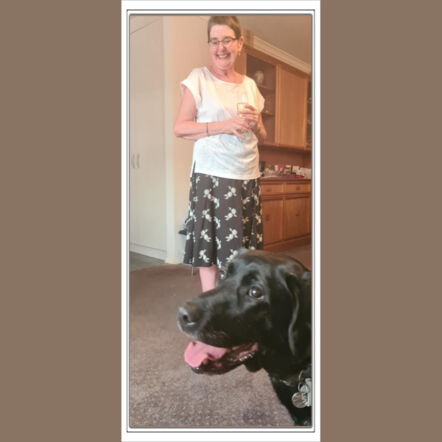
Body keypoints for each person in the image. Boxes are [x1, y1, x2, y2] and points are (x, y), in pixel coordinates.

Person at [174, 15, 267, 292]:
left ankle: (237, 304)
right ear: (210, 45)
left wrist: (259, 124)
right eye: (214, 41)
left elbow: (262, 135)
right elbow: (180, 127)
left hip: (247, 173)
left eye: (227, 40)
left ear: (239, 44)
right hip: (212, 174)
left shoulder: (250, 85)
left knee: (243, 248)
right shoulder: (198, 78)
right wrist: (223, 126)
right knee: (210, 245)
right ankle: (211, 305)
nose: (221, 47)